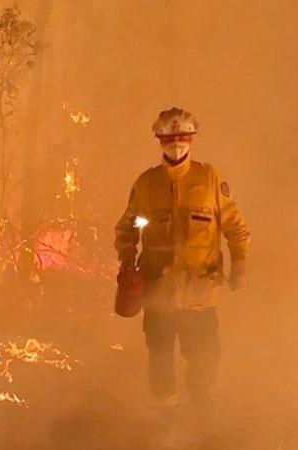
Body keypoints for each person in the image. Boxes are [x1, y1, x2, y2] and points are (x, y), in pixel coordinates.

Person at [114, 107, 251, 417]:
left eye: (183, 137)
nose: (176, 144)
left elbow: (236, 228)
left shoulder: (209, 178)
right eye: (169, 138)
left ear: (192, 139)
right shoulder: (146, 183)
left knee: (205, 355)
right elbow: (127, 228)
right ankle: (165, 414)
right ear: (159, 140)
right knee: (160, 356)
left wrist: (239, 265)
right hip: (158, 291)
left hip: (199, 293)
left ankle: (200, 404)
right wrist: (127, 258)